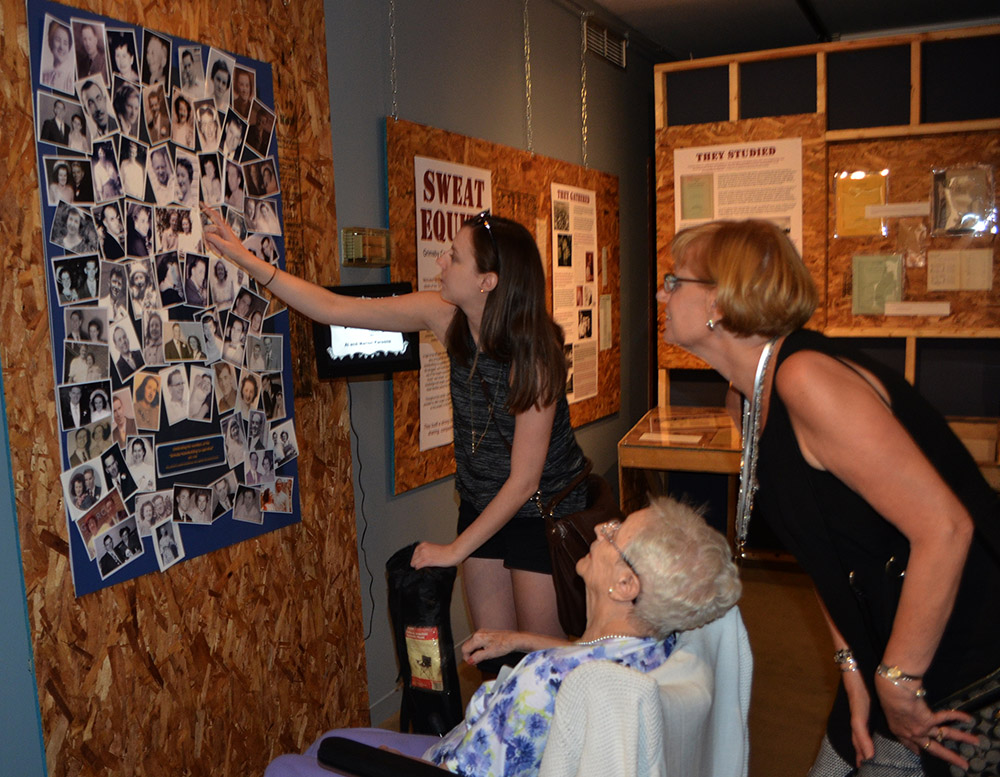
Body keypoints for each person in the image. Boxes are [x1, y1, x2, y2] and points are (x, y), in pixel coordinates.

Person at [657, 219, 1000, 777]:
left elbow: (946, 529)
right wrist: (852, 666)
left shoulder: (806, 381)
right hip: (884, 642)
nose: (661, 293)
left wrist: (896, 679)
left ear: (720, 300)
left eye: (675, 281)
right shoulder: (745, 397)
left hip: (960, 644)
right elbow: (820, 549)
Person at [205, 207, 588, 639]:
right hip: (483, 503)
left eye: (455, 257)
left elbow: (524, 480)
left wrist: (454, 551)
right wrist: (248, 261)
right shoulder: (444, 315)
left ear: (488, 281)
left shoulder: (534, 357)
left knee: (540, 661)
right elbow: (333, 309)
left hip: (542, 511)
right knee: (495, 656)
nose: (441, 262)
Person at [269, 499, 742, 776]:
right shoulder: (656, 643)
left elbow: (472, 771)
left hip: (451, 764)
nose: (600, 528)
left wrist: (402, 765)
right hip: (473, 744)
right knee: (329, 740)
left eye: (615, 534)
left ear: (624, 585)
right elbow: (593, 656)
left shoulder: (543, 683)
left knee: (291, 764)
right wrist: (521, 638)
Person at [41, 21, 75, 93]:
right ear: (50, 42)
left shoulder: (70, 78)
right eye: (58, 40)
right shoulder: (44, 75)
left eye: (65, 43)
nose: (61, 47)